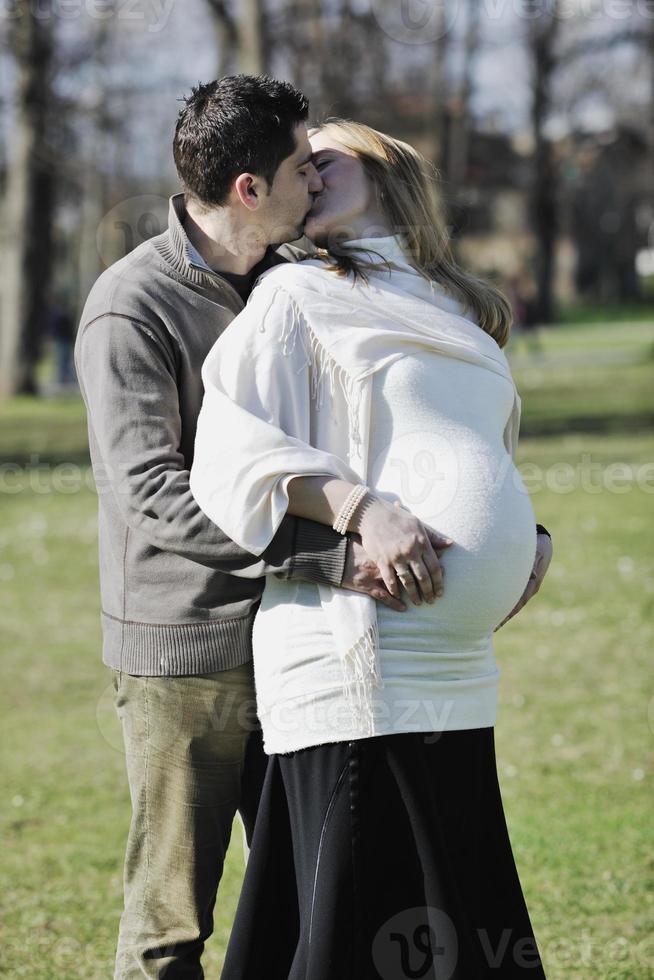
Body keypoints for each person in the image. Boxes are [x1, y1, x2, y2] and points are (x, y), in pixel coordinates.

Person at [74, 77, 432, 980]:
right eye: (303, 168)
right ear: (249, 190)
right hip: (185, 657)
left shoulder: (298, 282)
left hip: (297, 643)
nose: (316, 182)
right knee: (170, 922)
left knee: (313, 897)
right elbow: (151, 492)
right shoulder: (132, 306)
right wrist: (324, 555)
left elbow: (394, 427)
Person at [190, 119, 553, 978]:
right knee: (357, 921)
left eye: (326, 159)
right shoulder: (295, 298)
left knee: (458, 907)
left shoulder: (453, 304)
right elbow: (229, 447)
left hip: (457, 665)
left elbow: (477, 444)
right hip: (360, 654)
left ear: (389, 170)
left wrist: (524, 540)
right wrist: (360, 511)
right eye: (297, 166)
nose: (307, 176)